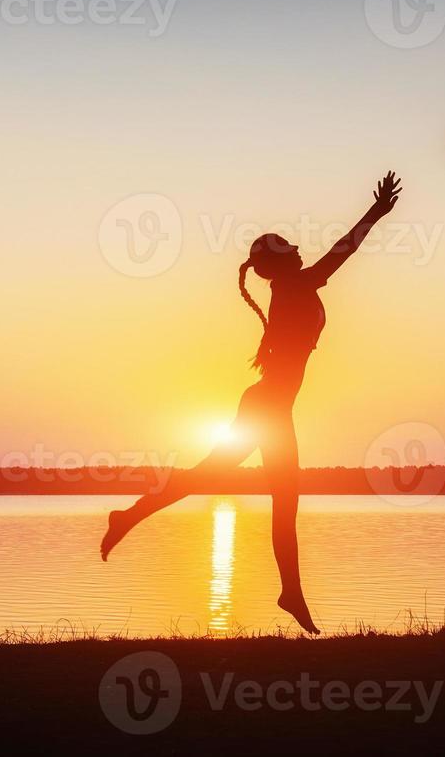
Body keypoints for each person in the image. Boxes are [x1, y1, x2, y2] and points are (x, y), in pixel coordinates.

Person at [100, 172, 403, 635]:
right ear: (279, 264)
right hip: (268, 411)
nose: (297, 248)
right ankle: (134, 518)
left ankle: (288, 591)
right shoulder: (296, 286)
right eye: (287, 246)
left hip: (272, 410)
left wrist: (376, 214)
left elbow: (336, 256)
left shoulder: (290, 288)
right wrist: (376, 213)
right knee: (259, 493)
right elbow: (343, 251)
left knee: (254, 491)